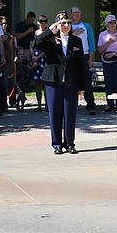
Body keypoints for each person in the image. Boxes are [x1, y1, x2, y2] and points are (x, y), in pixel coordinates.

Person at [36, 10, 85, 154]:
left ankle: (70, 143)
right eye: (63, 23)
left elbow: (81, 65)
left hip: (71, 81)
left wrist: (82, 86)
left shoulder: (76, 41)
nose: (66, 25)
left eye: (68, 23)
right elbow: (37, 43)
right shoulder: (50, 39)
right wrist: (51, 30)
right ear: (58, 24)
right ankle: (57, 143)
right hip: (53, 80)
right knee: (55, 113)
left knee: (70, 113)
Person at [69, 5, 97, 114]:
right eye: (75, 12)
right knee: (72, 80)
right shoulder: (68, 26)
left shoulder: (86, 26)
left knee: (86, 80)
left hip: (84, 56)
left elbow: (91, 43)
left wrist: (91, 59)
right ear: (71, 14)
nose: (77, 14)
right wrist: (74, 33)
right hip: (72, 56)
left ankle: (90, 104)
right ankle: (72, 105)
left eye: (78, 12)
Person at [97, 14, 117, 112]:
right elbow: (99, 50)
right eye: (110, 22)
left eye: (114, 22)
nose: (112, 24)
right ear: (107, 24)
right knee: (108, 82)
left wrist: (115, 53)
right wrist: (109, 42)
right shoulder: (102, 35)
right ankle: (109, 104)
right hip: (106, 62)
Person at [12, 12, 38, 112]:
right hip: (20, 50)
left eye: (33, 20)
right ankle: (14, 100)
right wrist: (28, 31)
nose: (31, 22)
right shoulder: (20, 25)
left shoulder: (34, 27)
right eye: (30, 19)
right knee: (17, 79)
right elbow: (17, 36)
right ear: (27, 17)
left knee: (27, 72)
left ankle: (23, 101)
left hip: (30, 50)